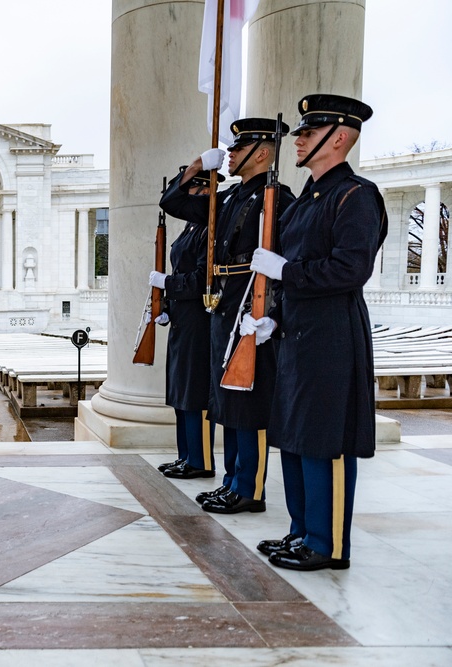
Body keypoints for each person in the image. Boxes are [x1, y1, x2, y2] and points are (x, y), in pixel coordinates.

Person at [248, 94, 387, 570]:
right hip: (296, 335)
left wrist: (287, 273)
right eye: (301, 131)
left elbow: (350, 269)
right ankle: (301, 531)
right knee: (294, 435)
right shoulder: (307, 200)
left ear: (340, 138)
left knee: (324, 440)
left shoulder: (355, 195)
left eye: (310, 131)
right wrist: (274, 316)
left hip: (331, 337)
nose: (300, 139)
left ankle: (327, 544)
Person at [160, 118, 296, 514]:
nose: (231, 155)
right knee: (227, 402)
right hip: (223, 307)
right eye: (231, 149)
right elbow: (174, 202)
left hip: (250, 308)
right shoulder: (232, 198)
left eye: (239, 149)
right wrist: (196, 167)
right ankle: (232, 481)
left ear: (263, 153)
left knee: (247, 401)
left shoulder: (279, 199)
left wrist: (271, 313)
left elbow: (284, 260)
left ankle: (250, 488)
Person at [152, 169, 224, 479]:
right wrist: (165, 305)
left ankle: (201, 460)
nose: (188, 198)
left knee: (195, 392)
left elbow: (202, 280)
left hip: (199, 317)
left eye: (193, 189)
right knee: (181, 392)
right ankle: (186, 456)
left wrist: (168, 283)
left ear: (205, 190)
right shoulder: (192, 226)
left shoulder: (211, 227)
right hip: (183, 317)